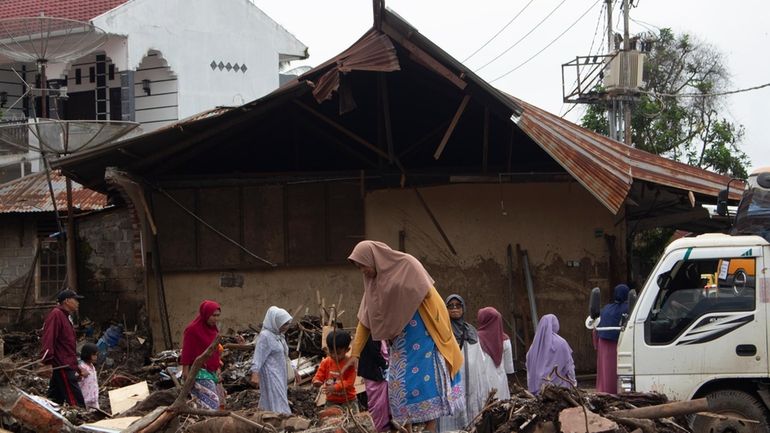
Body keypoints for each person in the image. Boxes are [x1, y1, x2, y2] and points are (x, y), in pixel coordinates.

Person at [346, 240, 463, 433]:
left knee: (428, 381)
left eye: (363, 266)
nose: (363, 271)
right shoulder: (373, 286)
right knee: (398, 386)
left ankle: (430, 427)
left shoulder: (407, 264)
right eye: (359, 268)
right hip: (400, 345)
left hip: (424, 335)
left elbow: (428, 295)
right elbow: (365, 320)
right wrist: (355, 353)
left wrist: (398, 296)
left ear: (373, 258)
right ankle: (405, 428)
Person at [438, 294, 487, 432]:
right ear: (445, 309)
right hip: (450, 375)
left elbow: (478, 357)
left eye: (458, 305)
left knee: (469, 405)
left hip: (470, 376)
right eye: (450, 306)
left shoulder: (470, 330)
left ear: (463, 308)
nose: (454, 309)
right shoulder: (442, 329)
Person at [41, 289, 86, 407]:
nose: (78, 303)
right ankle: (83, 422)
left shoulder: (66, 317)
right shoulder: (56, 315)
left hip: (66, 363)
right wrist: (47, 361)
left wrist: (76, 366)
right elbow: (49, 338)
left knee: (54, 401)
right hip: (62, 365)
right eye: (75, 300)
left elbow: (67, 345)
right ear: (66, 301)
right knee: (76, 402)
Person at [180, 300, 224, 410]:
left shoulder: (213, 330)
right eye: (213, 315)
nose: (216, 319)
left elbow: (215, 351)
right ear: (205, 314)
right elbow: (186, 352)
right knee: (212, 403)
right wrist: (186, 373)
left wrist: (217, 368)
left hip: (212, 372)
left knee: (214, 404)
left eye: (218, 316)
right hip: (199, 373)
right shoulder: (192, 330)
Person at [250, 306, 293, 414]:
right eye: (284, 324)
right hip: (271, 373)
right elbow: (258, 355)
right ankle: (282, 420)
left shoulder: (279, 336)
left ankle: (268, 420)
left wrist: (294, 370)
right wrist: (255, 374)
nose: (287, 327)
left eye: (288, 324)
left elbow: (285, 355)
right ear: (276, 322)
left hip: (280, 373)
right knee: (276, 397)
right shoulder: (265, 336)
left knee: (276, 397)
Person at [525, 314, 576, 395]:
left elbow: (529, 367)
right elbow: (569, 367)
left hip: (537, 388)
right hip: (558, 388)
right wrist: (573, 383)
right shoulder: (561, 343)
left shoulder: (534, 346)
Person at [595, 284, 630, 394]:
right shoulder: (629, 308)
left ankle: (605, 390)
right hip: (621, 343)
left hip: (604, 343)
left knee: (606, 370)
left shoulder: (606, 308)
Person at [477, 307, 514, 400]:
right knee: (502, 407)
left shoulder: (476, 339)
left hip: (483, 381)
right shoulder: (505, 339)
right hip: (501, 381)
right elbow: (509, 368)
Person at [313, 330, 357, 407]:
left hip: (349, 400)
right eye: (331, 351)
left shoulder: (350, 364)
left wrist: (335, 387)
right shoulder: (326, 362)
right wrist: (317, 381)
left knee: (351, 417)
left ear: (347, 350)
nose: (334, 355)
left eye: (338, 353)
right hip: (331, 401)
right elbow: (320, 374)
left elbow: (350, 382)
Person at [358, 336, 391, 431]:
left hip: (376, 373)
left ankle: (383, 425)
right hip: (374, 373)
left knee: (381, 402)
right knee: (378, 403)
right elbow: (374, 353)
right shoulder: (371, 335)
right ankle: (379, 427)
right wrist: (384, 364)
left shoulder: (377, 334)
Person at [78, 343, 100, 410]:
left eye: (96, 355)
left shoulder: (92, 367)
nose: (95, 357)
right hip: (85, 400)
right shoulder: (82, 367)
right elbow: (77, 379)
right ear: (87, 354)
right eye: (93, 355)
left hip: (94, 399)